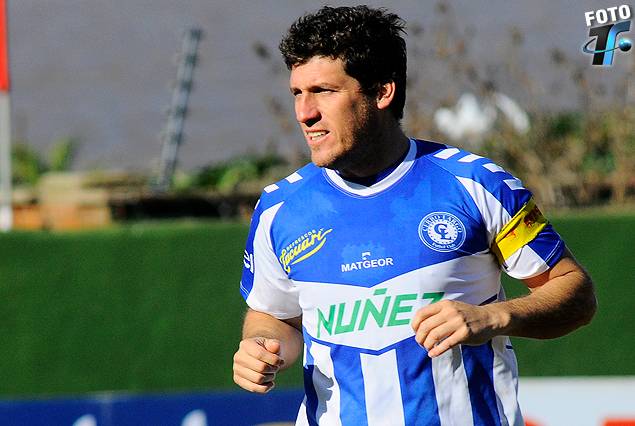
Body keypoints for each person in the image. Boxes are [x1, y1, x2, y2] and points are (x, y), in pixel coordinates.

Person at [233, 5, 597, 425]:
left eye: (324, 91)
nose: (304, 113)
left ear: (382, 92)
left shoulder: (476, 185)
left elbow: (575, 294)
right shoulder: (280, 209)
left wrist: (493, 317)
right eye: (297, 93)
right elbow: (274, 315)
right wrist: (261, 346)